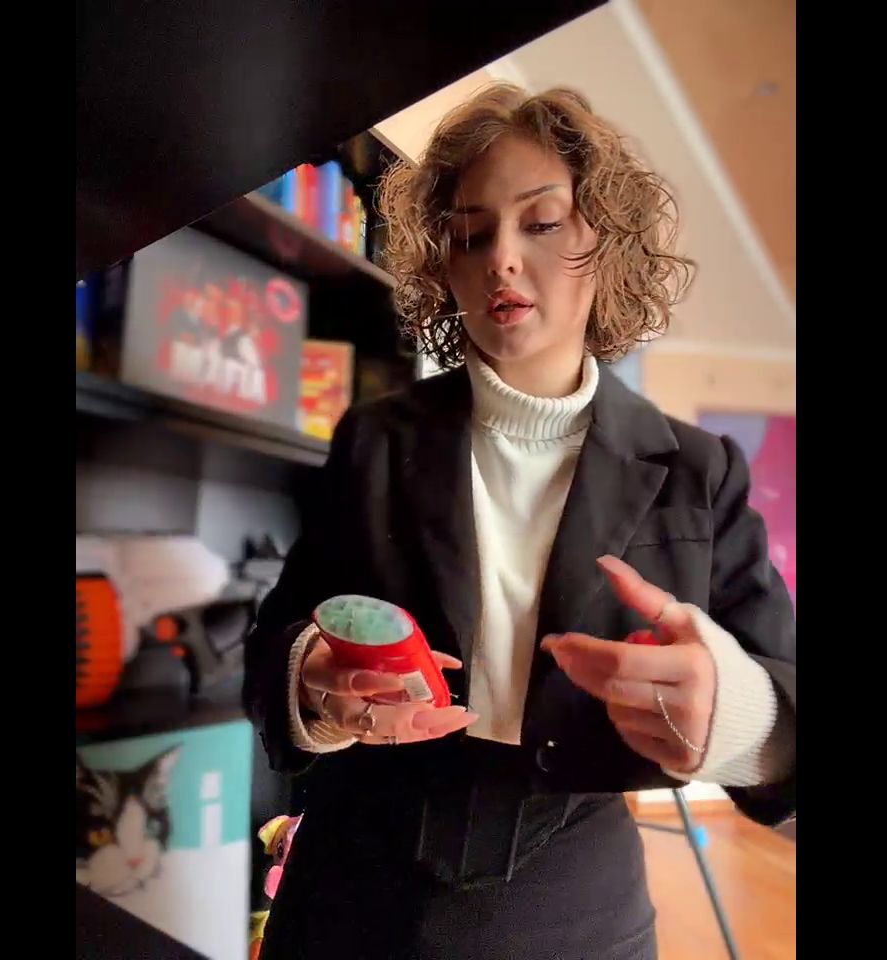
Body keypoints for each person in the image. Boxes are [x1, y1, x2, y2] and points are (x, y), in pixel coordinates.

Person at [244, 83, 796, 960]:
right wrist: (315, 682)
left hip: (573, 909)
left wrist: (731, 714)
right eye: (470, 235)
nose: (502, 258)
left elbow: (786, 703)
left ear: (606, 242)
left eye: (541, 223)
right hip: (351, 895)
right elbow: (276, 640)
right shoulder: (374, 441)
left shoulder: (701, 471)